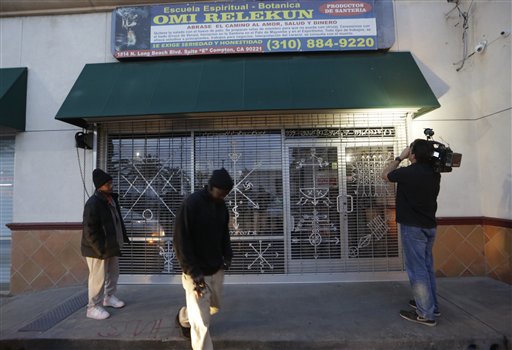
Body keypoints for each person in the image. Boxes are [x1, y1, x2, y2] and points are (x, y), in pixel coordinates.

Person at [381, 139, 441, 327]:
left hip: (413, 227)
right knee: (427, 267)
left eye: (411, 152)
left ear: (412, 154)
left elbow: (385, 175)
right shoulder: (435, 173)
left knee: (417, 270)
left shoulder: (408, 173)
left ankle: (425, 314)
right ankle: (431, 305)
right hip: (429, 226)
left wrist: (400, 157)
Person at [173, 168, 234, 350]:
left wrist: (227, 255)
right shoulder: (191, 204)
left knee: (213, 307)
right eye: (221, 193)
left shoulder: (221, 206)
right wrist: (193, 271)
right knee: (201, 323)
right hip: (196, 272)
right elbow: (180, 241)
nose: (223, 196)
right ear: (211, 187)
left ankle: (183, 316)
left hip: (216, 268)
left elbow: (224, 233)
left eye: (226, 194)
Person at [81, 168, 130, 320]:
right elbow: (90, 230)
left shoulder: (111, 199)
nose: (111, 185)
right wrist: (99, 249)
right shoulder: (93, 203)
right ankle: (92, 307)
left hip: (111, 246)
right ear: (99, 186)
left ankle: (108, 297)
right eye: (108, 184)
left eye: (111, 183)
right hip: (98, 249)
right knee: (98, 278)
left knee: (113, 274)